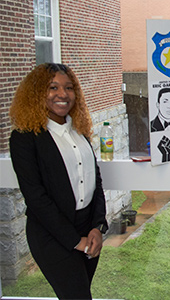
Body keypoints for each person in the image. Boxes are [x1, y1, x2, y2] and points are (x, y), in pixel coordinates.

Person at [9, 63, 109, 299]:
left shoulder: (79, 130)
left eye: (68, 88)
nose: (62, 94)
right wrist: (76, 241)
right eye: (53, 87)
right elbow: (35, 197)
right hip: (51, 234)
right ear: (37, 93)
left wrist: (98, 226)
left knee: (80, 293)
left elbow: (95, 181)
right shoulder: (24, 137)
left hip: (88, 229)